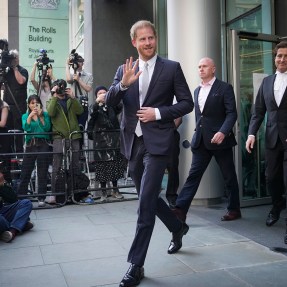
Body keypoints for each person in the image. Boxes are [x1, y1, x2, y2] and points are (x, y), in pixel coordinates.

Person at [105, 20, 194, 287]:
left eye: (151, 38)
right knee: (149, 197)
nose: (148, 43)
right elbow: (109, 101)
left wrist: (159, 113)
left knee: (145, 203)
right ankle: (178, 227)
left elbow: (187, 103)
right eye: (142, 39)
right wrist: (122, 85)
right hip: (133, 142)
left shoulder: (172, 68)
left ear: (156, 39)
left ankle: (136, 265)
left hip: (158, 144)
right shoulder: (124, 69)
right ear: (134, 42)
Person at [173, 57, 241, 223]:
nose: (201, 69)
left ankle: (234, 209)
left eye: (204, 66)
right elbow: (200, 117)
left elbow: (232, 113)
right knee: (193, 176)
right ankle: (180, 209)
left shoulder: (224, 88)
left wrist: (223, 132)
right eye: (199, 67)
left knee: (229, 177)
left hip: (220, 141)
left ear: (213, 69)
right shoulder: (196, 91)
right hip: (201, 141)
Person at [245, 41, 287, 238]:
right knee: (271, 178)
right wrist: (252, 133)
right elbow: (258, 112)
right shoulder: (267, 82)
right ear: (275, 57)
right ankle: (277, 206)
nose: (282, 59)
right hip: (271, 138)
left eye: (286, 56)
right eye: (279, 55)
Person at [47, 79, 84, 203]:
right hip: (59, 137)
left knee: (75, 165)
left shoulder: (70, 100)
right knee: (57, 166)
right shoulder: (51, 101)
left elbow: (80, 111)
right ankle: (54, 193)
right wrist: (54, 96)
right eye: (59, 87)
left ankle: (75, 193)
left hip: (74, 136)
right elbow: (51, 112)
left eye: (63, 87)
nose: (61, 89)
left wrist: (73, 98)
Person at [88, 86, 126, 202]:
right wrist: (97, 103)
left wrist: (111, 99)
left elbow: (120, 106)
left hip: (113, 140)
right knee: (102, 168)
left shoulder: (112, 106)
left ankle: (115, 190)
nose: (103, 95)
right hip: (100, 141)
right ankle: (103, 192)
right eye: (100, 93)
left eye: (105, 93)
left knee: (114, 166)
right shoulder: (94, 107)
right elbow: (92, 113)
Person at [17, 95, 51, 207]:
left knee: (42, 171)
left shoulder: (45, 115)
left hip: (43, 143)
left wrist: (40, 117)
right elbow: (26, 128)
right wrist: (30, 117)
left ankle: (41, 197)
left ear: (40, 104)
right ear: (28, 105)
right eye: (32, 103)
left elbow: (46, 128)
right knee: (26, 170)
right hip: (31, 144)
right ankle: (21, 197)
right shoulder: (25, 115)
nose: (34, 105)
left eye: (36, 103)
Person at [3, 49, 28, 152]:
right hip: (7, 106)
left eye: (15, 58)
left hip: (19, 106)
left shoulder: (22, 70)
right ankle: (9, 159)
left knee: (18, 133)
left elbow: (21, 81)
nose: (13, 60)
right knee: (7, 133)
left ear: (17, 59)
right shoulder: (6, 71)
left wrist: (14, 68)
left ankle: (19, 157)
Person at [0, 172, 34, 243]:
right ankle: (20, 225)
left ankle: (12, 231)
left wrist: (2, 183)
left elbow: (13, 199)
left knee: (26, 203)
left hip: (3, 211)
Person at [66, 54, 93, 129]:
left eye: (79, 61)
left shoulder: (88, 75)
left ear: (82, 63)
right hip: (72, 102)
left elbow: (88, 89)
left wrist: (79, 79)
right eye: (76, 61)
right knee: (73, 127)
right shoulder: (72, 74)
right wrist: (67, 65)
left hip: (83, 103)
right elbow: (68, 80)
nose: (78, 63)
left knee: (81, 127)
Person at [166, 117, 182, 208]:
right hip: (153, 135)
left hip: (171, 135)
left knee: (172, 166)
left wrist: (169, 132)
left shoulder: (174, 102)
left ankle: (172, 196)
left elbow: (179, 118)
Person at [0, 98, 12, 184]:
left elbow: (2, 123)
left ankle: (7, 184)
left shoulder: (4, 105)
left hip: (2, 137)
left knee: (4, 163)